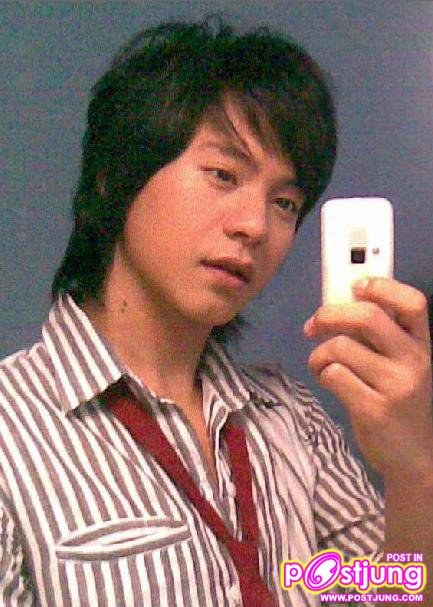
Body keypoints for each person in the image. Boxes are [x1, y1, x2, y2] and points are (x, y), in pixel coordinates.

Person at [0, 17, 432, 607]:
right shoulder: (12, 432)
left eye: (285, 203)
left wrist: (413, 471)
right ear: (115, 177)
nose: (255, 225)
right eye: (223, 175)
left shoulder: (292, 418)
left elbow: (388, 595)